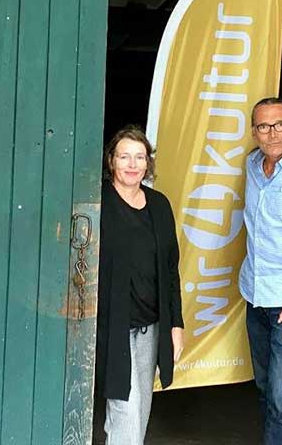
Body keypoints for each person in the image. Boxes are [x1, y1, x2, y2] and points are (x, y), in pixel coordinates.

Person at [95, 126, 184, 445]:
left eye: (140, 157)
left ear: (148, 163)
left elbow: (171, 270)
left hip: (152, 326)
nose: (132, 165)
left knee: (140, 406)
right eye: (124, 157)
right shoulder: (98, 202)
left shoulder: (159, 205)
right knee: (126, 406)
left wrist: (176, 324)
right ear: (111, 161)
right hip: (113, 325)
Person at [239, 97, 282, 445]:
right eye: (264, 126)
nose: (273, 133)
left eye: (280, 125)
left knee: (281, 395)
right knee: (264, 386)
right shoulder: (252, 165)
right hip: (254, 294)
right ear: (254, 132)